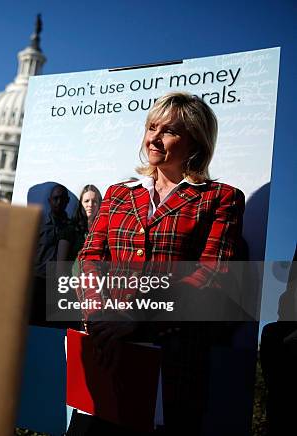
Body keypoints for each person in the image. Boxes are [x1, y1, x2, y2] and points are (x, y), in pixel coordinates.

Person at [69, 92, 246, 435]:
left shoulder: (220, 197)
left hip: (172, 359)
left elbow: (212, 275)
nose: (154, 137)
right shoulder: (120, 193)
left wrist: (136, 316)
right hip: (105, 349)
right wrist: (97, 315)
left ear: (196, 139)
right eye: (152, 127)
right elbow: (89, 258)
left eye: (169, 131)